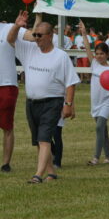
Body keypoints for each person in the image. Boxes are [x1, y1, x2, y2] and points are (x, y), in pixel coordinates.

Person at [8, 11, 79, 183]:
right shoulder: (29, 50)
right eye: (35, 35)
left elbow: (71, 82)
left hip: (52, 102)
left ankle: (38, 175)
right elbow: (10, 40)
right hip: (32, 103)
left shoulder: (60, 56)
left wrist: (68, 104)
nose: (36, 38)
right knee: (38, 141)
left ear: (50, 36)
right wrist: (17, 25)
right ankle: (51, 173)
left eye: (39, 35)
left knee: (44, 138)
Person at [79, 21, 109, 165]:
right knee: (103, 130)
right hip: (95, 102)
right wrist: (84, 33)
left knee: (98, 128)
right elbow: (87, 50)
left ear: (107, 54)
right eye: (97, 54)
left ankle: (95, 158)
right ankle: (108, 157)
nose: (98, 56)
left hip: (107, 102)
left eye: (102, 54)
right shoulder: (94, 64)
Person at [0, 14, 35, 172]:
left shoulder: (8, 28)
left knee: (7, 126)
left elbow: (33, 37)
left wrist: (37, 16)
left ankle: (6, 164)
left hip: (7, 84)